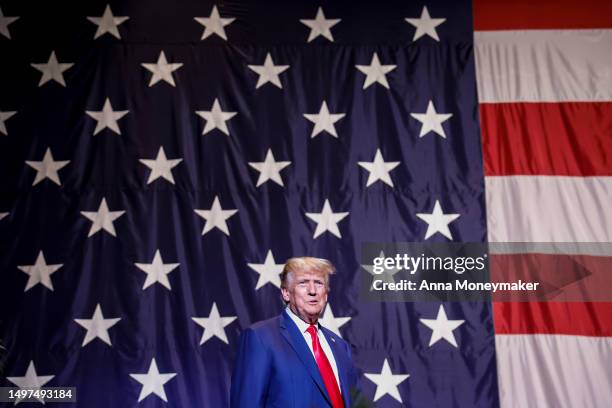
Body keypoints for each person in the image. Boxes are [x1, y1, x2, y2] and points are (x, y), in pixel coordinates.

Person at [230, 257, 359, 408]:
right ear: (286, 293)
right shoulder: (260, 338)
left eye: (319, 283)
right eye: (303, 283)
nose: (312, 291)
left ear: (326, 295)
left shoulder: (341, 347)